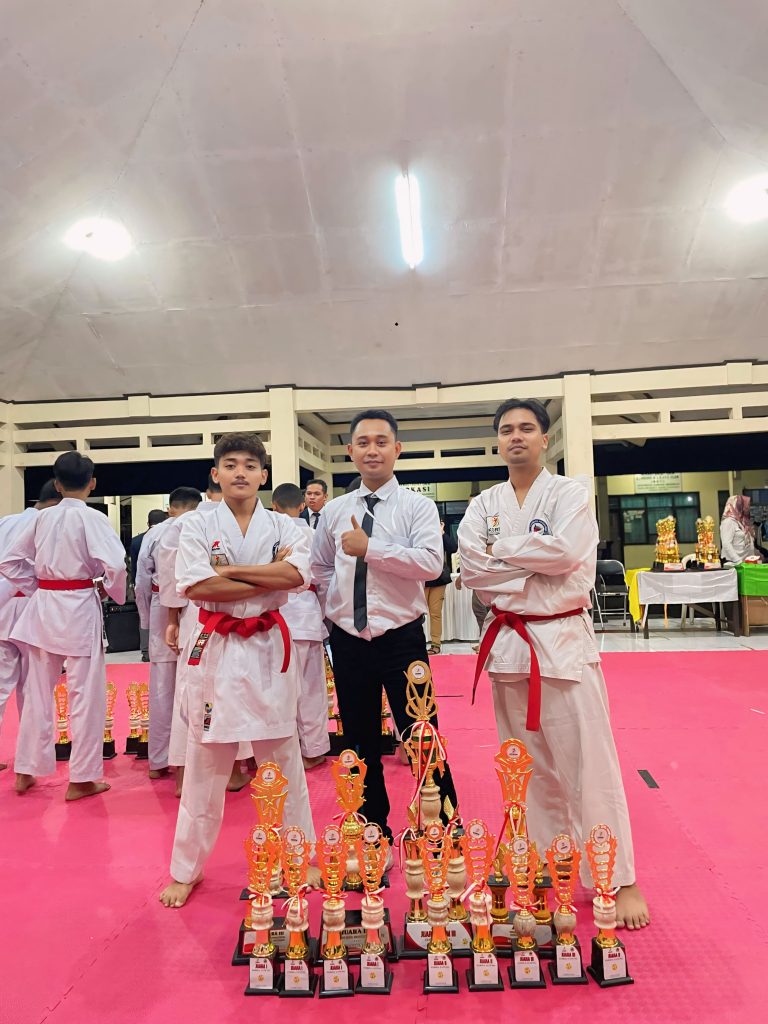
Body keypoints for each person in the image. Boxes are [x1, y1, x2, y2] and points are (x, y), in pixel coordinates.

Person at [458, 398, 649, 930]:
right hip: (509, 647)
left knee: (590, 767)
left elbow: (566, 555)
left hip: (562, 644)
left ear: (545, 439)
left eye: (527, 428)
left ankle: (618, 878)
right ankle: (546, 866)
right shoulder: (484, 502)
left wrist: (502, 552)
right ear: (498, 442)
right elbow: (472, 568)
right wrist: (528, 561)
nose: (516, 436)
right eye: (506, 430)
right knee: (527, 769)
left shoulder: (571, 493)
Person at [159, 432, 317, 908]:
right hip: (217, 648)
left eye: (250, 464)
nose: (240, 472)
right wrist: (265, 574)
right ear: (216, 474)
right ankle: (185, 870)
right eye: (230, 464)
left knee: (283, 758)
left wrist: (225, 572)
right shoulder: (194, 525)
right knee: (205, 765)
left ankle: (300, 856)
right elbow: (195, 586)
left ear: (263, 475)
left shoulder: (286, 526)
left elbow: (296, 576)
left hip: (268, 646)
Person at [311, 409, 459, 842]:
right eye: (363, 442)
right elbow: (320, 567)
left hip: (402, 639)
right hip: (349, 640)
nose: (372, 450)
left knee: (421, 733)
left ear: (397, 449)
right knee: (358, 740)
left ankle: (441, 826)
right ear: (350, 451)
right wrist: (336, 610)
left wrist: (370, 549)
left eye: (381, 442)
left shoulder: (417, 507)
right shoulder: (334, 511)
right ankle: (371, 827)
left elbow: (431, 564)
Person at [0, 452, 126, 800]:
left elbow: (8, 561)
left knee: (37, 693)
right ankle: (82, 778)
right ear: (92, 483)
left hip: (44, 609)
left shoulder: (41, 518)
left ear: (56, 484)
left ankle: (26, 769)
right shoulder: (93, 518)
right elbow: (116, 565)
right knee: (85, 695)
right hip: (79, 608)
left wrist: (39, 585)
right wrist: (109, 589)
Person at [135, 487, 203, 780]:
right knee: (197, 683)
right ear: (198, 505)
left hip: (161, 607)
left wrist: (145, 621)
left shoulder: (155, 533)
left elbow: (141, 581)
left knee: (163, 687)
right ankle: (198, 757)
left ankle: (160, 760)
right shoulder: (204, 525)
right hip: (198, 606)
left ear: (170, 508)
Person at [0, 480, 61, 770]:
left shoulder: (5, 522)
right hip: (33, 607)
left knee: (1, 686)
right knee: (33, 687)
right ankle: (30, 760)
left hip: (3, 608)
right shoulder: (49, 525)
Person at [272, 482, 330, 770]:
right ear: (302, 505)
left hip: (273, 618)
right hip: (306, 616)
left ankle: (278, 754)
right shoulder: (314, 535)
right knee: (310, 688)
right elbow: (324, 579)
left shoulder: (268, 534)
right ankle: (312, 751)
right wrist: (323, 614)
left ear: (273, 506)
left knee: (276, 689)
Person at [131, 509, 168, 662]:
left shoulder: (137, 540)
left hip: (144, 583)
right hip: (167, 587)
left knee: (144, 616)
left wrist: (134, 584)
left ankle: (146, 650)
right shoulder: (171, 534)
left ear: (148, 522)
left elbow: (136, 566)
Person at [424, 520, 458, 654]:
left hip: (438, 579)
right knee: (417, 614)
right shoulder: (419, 533)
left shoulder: (439, 535)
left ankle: (435, 644)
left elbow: (453, 548)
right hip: (421, 578)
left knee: (435, 613)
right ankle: (415, 643)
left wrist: (442, 533)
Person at [720, 495, 763, 565]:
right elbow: (726, 544)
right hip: (735, 564)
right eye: (746, 505)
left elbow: (747, 542)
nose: (748, 508)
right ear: (738, 506)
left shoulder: (741, 522)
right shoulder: (728, 522)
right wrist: (739, 561)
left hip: (746, 563)